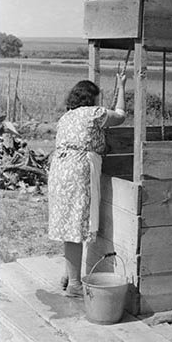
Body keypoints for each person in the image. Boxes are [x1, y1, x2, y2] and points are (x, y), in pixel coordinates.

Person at [47, 67, 128, 296]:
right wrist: (122, 86)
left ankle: (69, 274)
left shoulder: (67, 117)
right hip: (77, 171)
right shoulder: (93, 113)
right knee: (76, 226)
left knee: (68, 224)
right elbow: (120, 116)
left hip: (60, 170)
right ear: (91, 98)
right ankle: (74, 284)